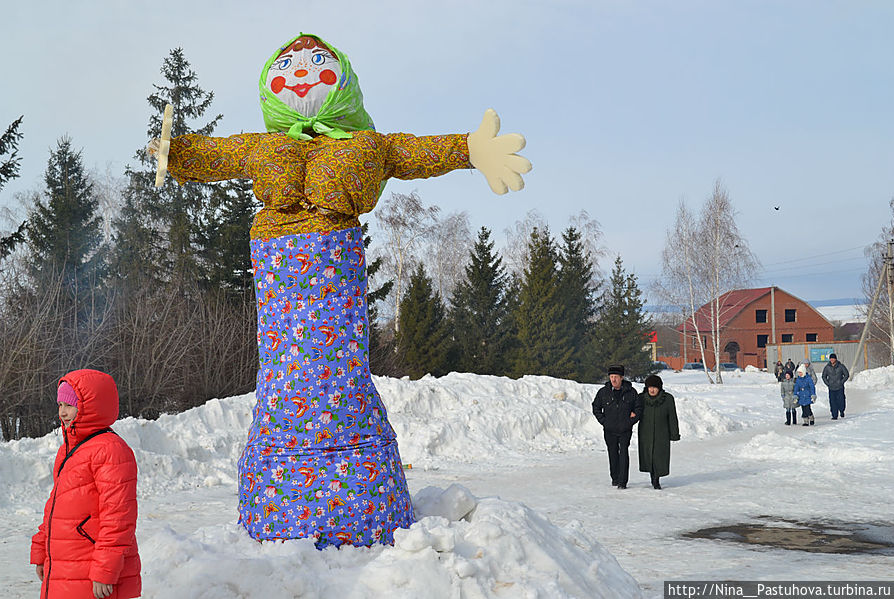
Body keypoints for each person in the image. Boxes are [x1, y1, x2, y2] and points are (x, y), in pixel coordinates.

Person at [149, 33, 531, 547]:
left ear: (343, 81)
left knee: (339, 376)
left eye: (316, 64)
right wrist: (176, 151)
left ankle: (363, 505)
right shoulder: (266, 147)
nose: (302, 73)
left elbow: (412, 152)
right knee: (286, 379)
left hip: (333, 267)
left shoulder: (366, 146)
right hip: (278, 273)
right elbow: (220, 154)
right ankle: (279, 505)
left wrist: (468, 149)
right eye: (287, 66)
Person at [31, 370, 141, 599]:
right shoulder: (67, 449)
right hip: (64, 564)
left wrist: (105, 569)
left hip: (90, 569)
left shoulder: (111, 450)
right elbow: (55, 506)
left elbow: (118, 517)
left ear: (92, 405)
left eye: (69, 405)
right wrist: (41, 550)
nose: (62, 412)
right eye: (60, 405)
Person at [592, 365, 643, 489]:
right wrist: (604, 421)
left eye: (616, 377)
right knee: (612, 453)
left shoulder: (631, 392)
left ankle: (622, 481)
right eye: (611, 377)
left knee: (624, 453)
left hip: (625, 429)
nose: (613, 380)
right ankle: (615, 477)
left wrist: (631, 420)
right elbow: (596, 407)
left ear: (622, 378)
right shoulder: (603, 392)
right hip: (609, 429)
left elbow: (639, 408)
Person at [637, 375, 680, 490]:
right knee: (648, 456)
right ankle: (652, 476)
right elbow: (633, 413)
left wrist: (674, 433)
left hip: (662, 433)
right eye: (650, 387)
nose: (652, 390)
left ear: (659, 388)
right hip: (646, 432)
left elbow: (672, 417)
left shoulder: (668, 399)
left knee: (659, 456)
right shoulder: (641, 398)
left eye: (655, 387)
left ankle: (656, 478)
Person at [822, 352, 850, 419]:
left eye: (833, 358)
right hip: (831, 387)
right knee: (832, 402)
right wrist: (828, 383)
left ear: (835, 359)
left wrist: (841, 382)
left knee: (841, 400)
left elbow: (846, 375)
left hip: (839, 387)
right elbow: (823, 376)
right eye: (830, 358)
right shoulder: (827, 367)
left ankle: (842, 410)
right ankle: (834, 415)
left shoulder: (841, 366)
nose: (832, 360)